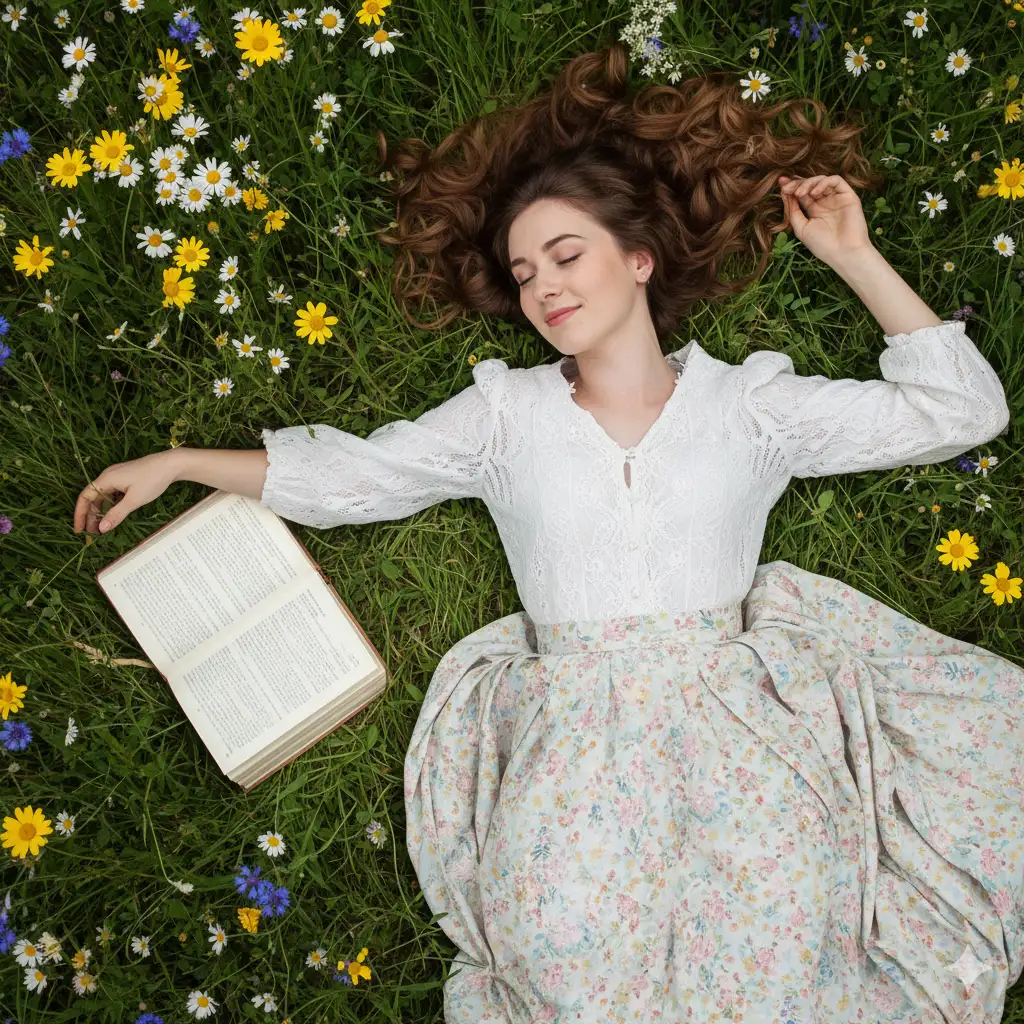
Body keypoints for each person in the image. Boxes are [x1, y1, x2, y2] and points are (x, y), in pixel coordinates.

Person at [73, 44, 1022, 1024]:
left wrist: (852, 255)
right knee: (558, 960)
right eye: (525, 273)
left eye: (567, 256)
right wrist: (183, 462)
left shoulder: (751, 405)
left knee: (779, 967)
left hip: (742, 725)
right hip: (570, 731)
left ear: (638, 258)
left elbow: (958, 412)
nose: (544, 288)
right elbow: (357, 475)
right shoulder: (504, 417)